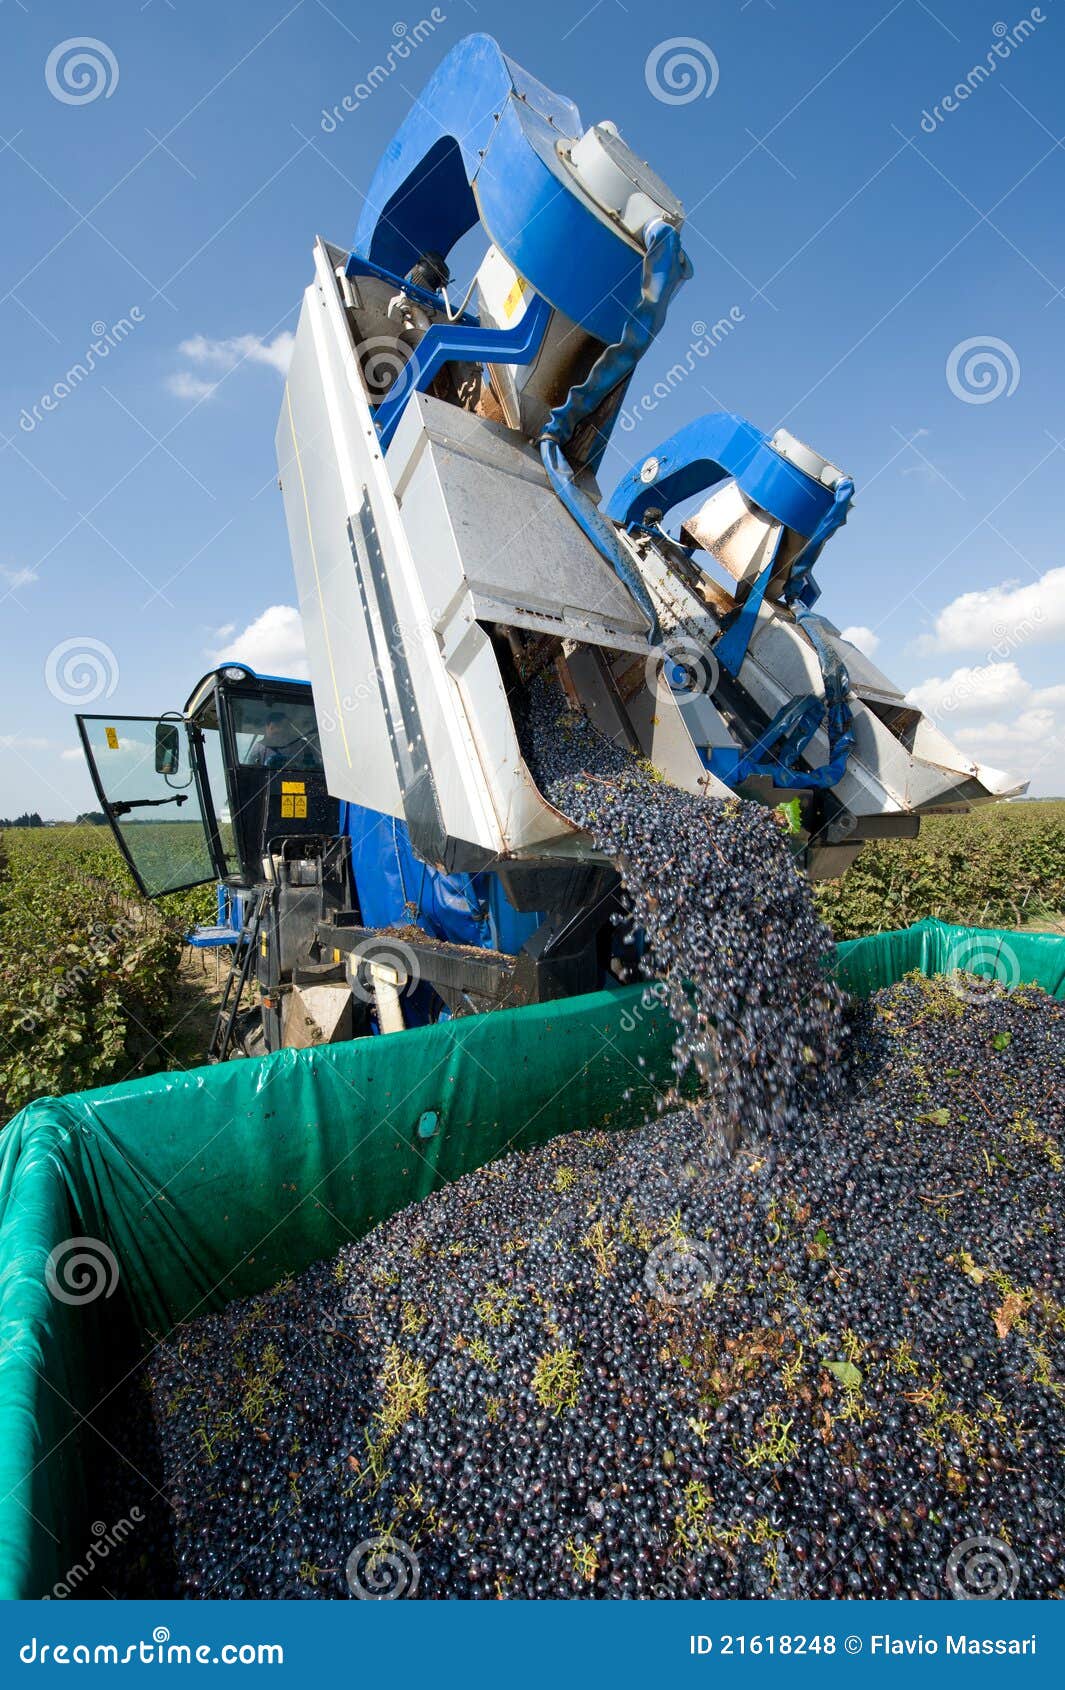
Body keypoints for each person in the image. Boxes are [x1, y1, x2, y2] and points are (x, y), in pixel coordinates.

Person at [244, 712, 323, 771]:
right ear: (267, 728)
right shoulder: (259, 748)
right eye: (273, 727)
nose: (278, 730)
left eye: (284, 727)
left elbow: (315, 766)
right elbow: (251, 771)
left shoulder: (302, 745)